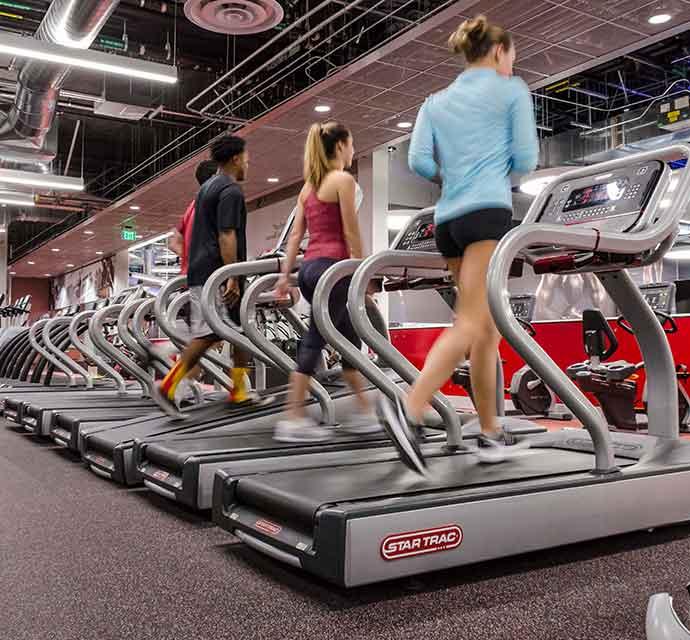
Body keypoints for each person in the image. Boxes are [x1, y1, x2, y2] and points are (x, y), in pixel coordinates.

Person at [377, 15, 539, 471]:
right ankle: (409, 407)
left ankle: (490, 432)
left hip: (446, 221)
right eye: (512, 57)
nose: (513, 64)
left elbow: (418, 161)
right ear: (498, 52)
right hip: (487, 212)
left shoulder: (435, 101)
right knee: (471, 323)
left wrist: (454, 176)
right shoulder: (512, 90)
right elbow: (527, 157)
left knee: (483, 332)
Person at [274, 121, 380, 443]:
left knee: (349, 337)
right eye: (351, 144)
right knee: (316, 338)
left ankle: (364, 411)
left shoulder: (308, 187)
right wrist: (363, 273)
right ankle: (292, 416)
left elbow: (296, 236)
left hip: (310, 270)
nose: (352, 150)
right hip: (333, 271)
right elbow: (350, 231)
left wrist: (284, 277)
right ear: (339, 147)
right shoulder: (342, 180)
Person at [154, 135, 255, 417]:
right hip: (218, 273)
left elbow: (186, 236)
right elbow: (226, 235)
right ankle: (169, 384)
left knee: (239, 330)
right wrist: (232, 275)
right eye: (247, 156)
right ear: (236, 158)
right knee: (210, 333)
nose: (249, 162)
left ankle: (240, 391)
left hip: (202, 271)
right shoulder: (230, 191)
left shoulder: (206, 189)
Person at [169, 160, 218, 274]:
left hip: (191, 274)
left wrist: (189, 258)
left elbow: (173, 243)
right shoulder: (214, 202)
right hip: (209, 275)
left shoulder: (192, 206)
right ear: (214, 177)